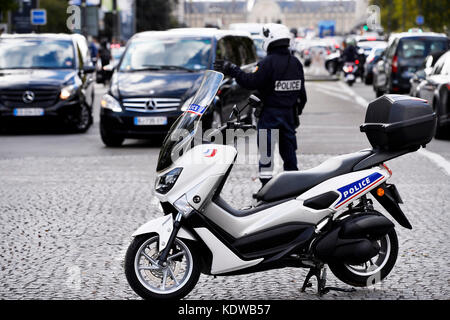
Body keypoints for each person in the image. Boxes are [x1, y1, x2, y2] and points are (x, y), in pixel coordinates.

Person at [214, 23, 307, 188]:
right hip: (289, 115)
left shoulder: (268, 63)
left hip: (269, 114)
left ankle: (267, 188)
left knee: (266, 153)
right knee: (289, 154)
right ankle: (293, 187)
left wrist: (233, 69)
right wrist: (295, 113)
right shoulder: (296, 63)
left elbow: (250, 82)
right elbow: (303, 95)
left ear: (270, 40)